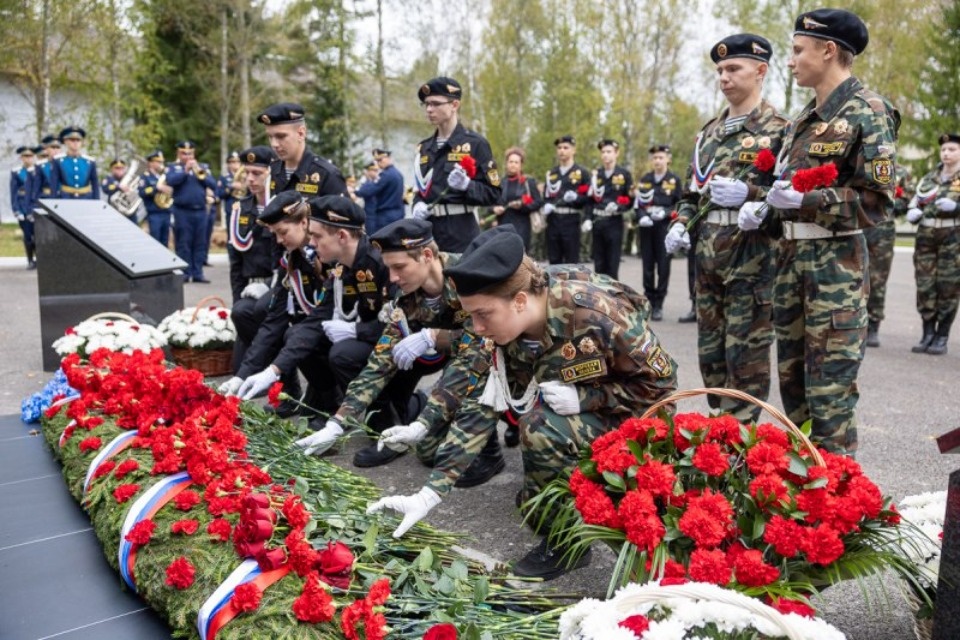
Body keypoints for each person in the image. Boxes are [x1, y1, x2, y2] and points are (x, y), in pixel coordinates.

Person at [367, 228, 678, 579]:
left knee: (541, 428)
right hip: (582, 402)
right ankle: (563, 501)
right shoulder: (502, 325)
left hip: (636, 411)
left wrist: (587, 398)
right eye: (471, 316)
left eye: (483, 315)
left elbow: (664, 384)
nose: (477, 327)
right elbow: (479, 406)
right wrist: (428, 494)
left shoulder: (596, 314)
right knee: (535, 499)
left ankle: (569, 544)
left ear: (518, 301)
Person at [764, 8, 900, 455]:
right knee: (795, 396)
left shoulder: (869, 111)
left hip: (834, 274)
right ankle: (803, 507)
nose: (790, 61)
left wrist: (807, 201)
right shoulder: (803, 120)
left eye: (797, 50)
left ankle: (839, 507)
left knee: (830, 398)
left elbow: (877, 202)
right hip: (791, 267)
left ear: (828, 51)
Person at [296, 218, 506, 482]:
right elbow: (379, 361)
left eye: (399, 267)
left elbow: (486, 342)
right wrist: (338, 422)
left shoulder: (470, 278)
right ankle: (442, 418)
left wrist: (434, 336)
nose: (393, 277)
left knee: (472, 369)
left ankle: (490, 454)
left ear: (427, 255)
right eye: (389, 268)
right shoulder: (405, 297)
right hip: (459, 363)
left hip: (501, 363)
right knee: (428, 452)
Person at [670, 33, 787, 423]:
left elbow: (788, 199)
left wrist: (750, 193)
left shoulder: (780, 130)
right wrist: (681, 224)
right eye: (719, 70)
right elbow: (691, 193)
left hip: (751, 261)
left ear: (760, 71)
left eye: (733, 68)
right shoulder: (708, 134)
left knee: (745, 358)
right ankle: (720, 436)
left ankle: (743, 443)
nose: (723, 77)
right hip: (707, 262)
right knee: (711, 357)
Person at [220, 192, 333, 413]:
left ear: (303, 222)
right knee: (288, 329)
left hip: (350, 332)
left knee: (302, 335)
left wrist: (274, 369)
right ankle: (319, 397)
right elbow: (274, 319)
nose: (280, 240)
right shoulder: (293, 258)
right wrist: (242, 375)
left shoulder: (328, 255)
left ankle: (332, 401)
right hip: (316, 327)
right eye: (275, 234)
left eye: (282, 232)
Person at [410, 76, 500, 252]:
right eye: (426, 104)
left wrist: (467, 185)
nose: (429, 109)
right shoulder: (424, 148)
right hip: (428, 231)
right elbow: (419, 189)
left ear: (454, 105)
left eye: (436, 103)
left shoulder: (475, 144)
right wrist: (417, 204)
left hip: (460, 230)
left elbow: (494, 193)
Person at [905, 132, 960, 356]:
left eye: (952, 149)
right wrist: (912, 212)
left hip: (953, 237)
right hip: (926, 236)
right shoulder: (929, 178)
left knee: (948, 286)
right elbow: (916, 201)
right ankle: (927, 333)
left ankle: (941, 336)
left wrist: (957, 208)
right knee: (925, 285)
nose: (946, 153)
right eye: (944, 149)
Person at [224, 146, 278, 372]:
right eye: (247, 173)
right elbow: (235, 263)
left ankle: (277, 369)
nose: (250, 179)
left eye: (258, 173)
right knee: (240, 370)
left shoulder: (280, 207)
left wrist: (268, 286)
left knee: (259, 313)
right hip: (250, 288)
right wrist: (237, 298)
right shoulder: (240, 210)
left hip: (276, 284)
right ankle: (266, 364)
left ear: (271, 174)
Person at [258, 102, 348, 201]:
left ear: (301, 133)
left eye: (281, 136)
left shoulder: (326, 175)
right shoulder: (271, 171)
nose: (274, 144)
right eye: (270, 137)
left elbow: (345, 215)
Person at [635, 145, 683, 320]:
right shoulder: (645, 180)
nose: (657, 161)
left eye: (661, 157)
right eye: (655, 158)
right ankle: (649, 300)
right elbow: (639, 204)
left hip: (664, 227)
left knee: (663, 266)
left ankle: (659, 304)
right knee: (647, 266)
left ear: (668, 160)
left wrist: (667, 213)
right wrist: (641, 216)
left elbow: (680, 204)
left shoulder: (674, 180)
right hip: (647, 227)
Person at [165, 141, 218, 283]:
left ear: (194, 154)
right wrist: (185, 171)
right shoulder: (173, 168)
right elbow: (170, 181)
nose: (187, 156)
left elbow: (213, 184)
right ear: (178, 153)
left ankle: (198, 273)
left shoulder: (202, 167)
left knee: (200, 243)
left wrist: (201, 174)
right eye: (184, 153)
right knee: (183, 243)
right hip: (182, 211)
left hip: (200, 211)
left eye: (190, 153)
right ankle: (185, 273)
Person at [584, 139, 633, 280]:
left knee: (612, 264)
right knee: (599, 264)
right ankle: (600, 298)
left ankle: (613, 299)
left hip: (614, 222)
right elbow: (590, 199)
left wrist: (619, 207)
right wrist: (587, 218)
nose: (605, 155)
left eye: (609, 151)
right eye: (603, 152)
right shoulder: (596, 175)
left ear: (616, 153)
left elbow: (630, 200)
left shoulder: (624, 174)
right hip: (598, 221)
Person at [542, 135, 590, 265]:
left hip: (571, 220)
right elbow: (546, 196)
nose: (561, 150)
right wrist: (546, 205)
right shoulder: (552, 173)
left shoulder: (582, 173)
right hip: (553, 220)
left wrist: (577, 198)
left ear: (573, 150)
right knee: (554, 260)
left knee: (571, 262)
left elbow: (587, 198)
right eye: (559, 148)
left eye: (565, 147)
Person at [491, 146, 543, 251]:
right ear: (506, 163)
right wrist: (494, 209)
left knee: (520, 256)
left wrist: (522, 206)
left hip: (522, 225)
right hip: (503, 225)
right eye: (510, 162)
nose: (513, 165)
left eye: (516, 162)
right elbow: (490, 201)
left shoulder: (528, 182)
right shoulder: (499, 183)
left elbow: (538, 202)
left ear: (521, 165)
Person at [356, 148, 405, 235]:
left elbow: (369, 191)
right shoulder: (398, 174)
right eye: (377, 161)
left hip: (385, 217)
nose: (378, 163)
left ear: (388, 158)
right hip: (398, 214)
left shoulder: (386, 175)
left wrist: (357, 191)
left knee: (380, 244)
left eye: (380, 160)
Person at [10, 145, 41, 269]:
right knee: (28, 236)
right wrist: (16, 210)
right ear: (21, 158)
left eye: (30, 156)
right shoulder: (17, 172)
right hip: (22, 206)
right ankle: (30, 259)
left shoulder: (37, 171)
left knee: (37, 236)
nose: (28, 159)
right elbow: (14, 192)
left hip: (34, 205)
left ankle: (39, 259)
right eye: (25, 156)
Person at [49, 126, 99, 200]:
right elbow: (54, 185)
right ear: (65, 141)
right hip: (65, 199)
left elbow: (95, 185)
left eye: (78, 140)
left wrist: (96, 204)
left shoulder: (90, 162)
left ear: (82, 142)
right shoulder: (58, 161)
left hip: (86, 199)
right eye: (72, 140)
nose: (75, 143)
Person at [139, 150, 173, 246]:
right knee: (155, 242)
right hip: (154, 213)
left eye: (162, 162)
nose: (161, 164)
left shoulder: (164, 177)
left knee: (165, 242)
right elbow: (142, 192)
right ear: (151, 163)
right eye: (158, 162)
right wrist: (156, 188)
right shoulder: (145, 177)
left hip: (166, 212)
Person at [217, 150, 244, 230]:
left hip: (244, 208)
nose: (235, 164)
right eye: (232, 162)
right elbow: (220, 194)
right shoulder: (224, 178)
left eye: (238, 162)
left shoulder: (246, 176)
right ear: (228, 164)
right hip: (231, 208)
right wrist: (231, 187)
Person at [355, 160, 380, 230]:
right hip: (369, 216)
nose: (376, 173)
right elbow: (359, 194)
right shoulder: (363, 183)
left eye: (377, 170)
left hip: (377, 215)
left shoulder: (377, 181)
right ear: (368, 171)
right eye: (374, 170)